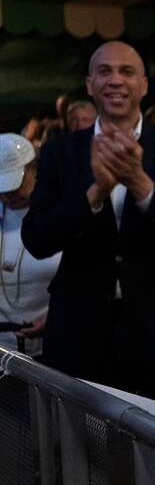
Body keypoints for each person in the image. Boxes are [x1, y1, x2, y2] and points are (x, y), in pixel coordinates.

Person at [22, 41, 155, 405]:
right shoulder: (61, 151)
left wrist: (139, 182)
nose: (115, 80)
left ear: (144, 84)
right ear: (89, 84)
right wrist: (96, 192)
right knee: (81, 451)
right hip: (79, 331)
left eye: (126, 71)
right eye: (104, 71)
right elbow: (37, 237)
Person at [0, 134, 58, 356]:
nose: (8, 193)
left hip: (51, 344)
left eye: (17, 182)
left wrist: (55, 315)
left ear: (35, 169)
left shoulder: (58, 214)